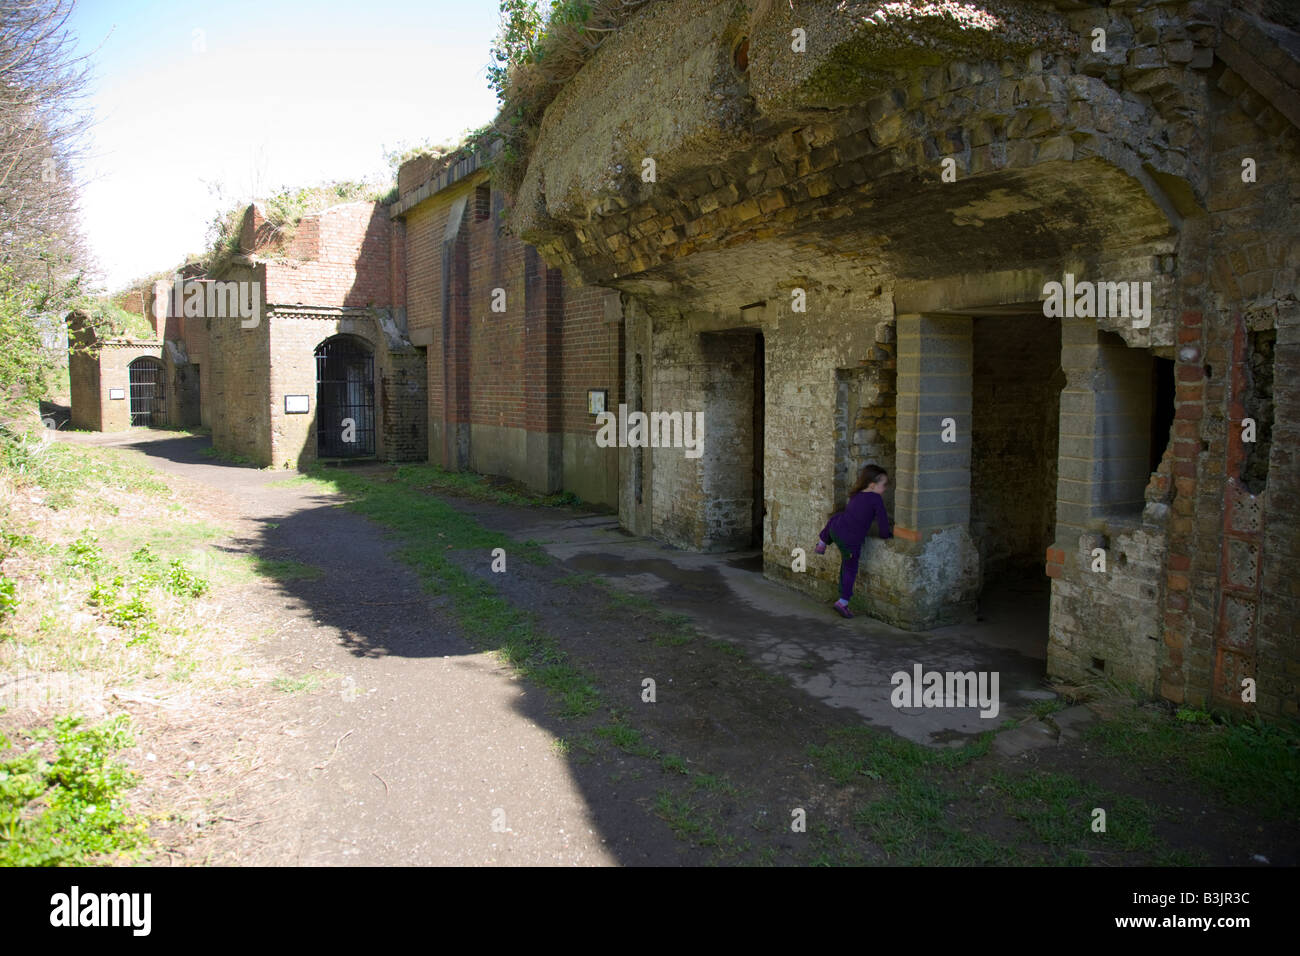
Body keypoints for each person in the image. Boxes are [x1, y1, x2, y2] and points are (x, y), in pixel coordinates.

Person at [815, 464, 892, 618]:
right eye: (884, 485)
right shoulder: (876, 499)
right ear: (872, 485)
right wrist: (886, 535)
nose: (885, 488)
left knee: (836, 517)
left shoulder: (856, 495)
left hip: (836, 530)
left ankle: (822, 542)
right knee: (849, 568)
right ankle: (843, 602)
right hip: (850, 541)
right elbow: (883, 521)